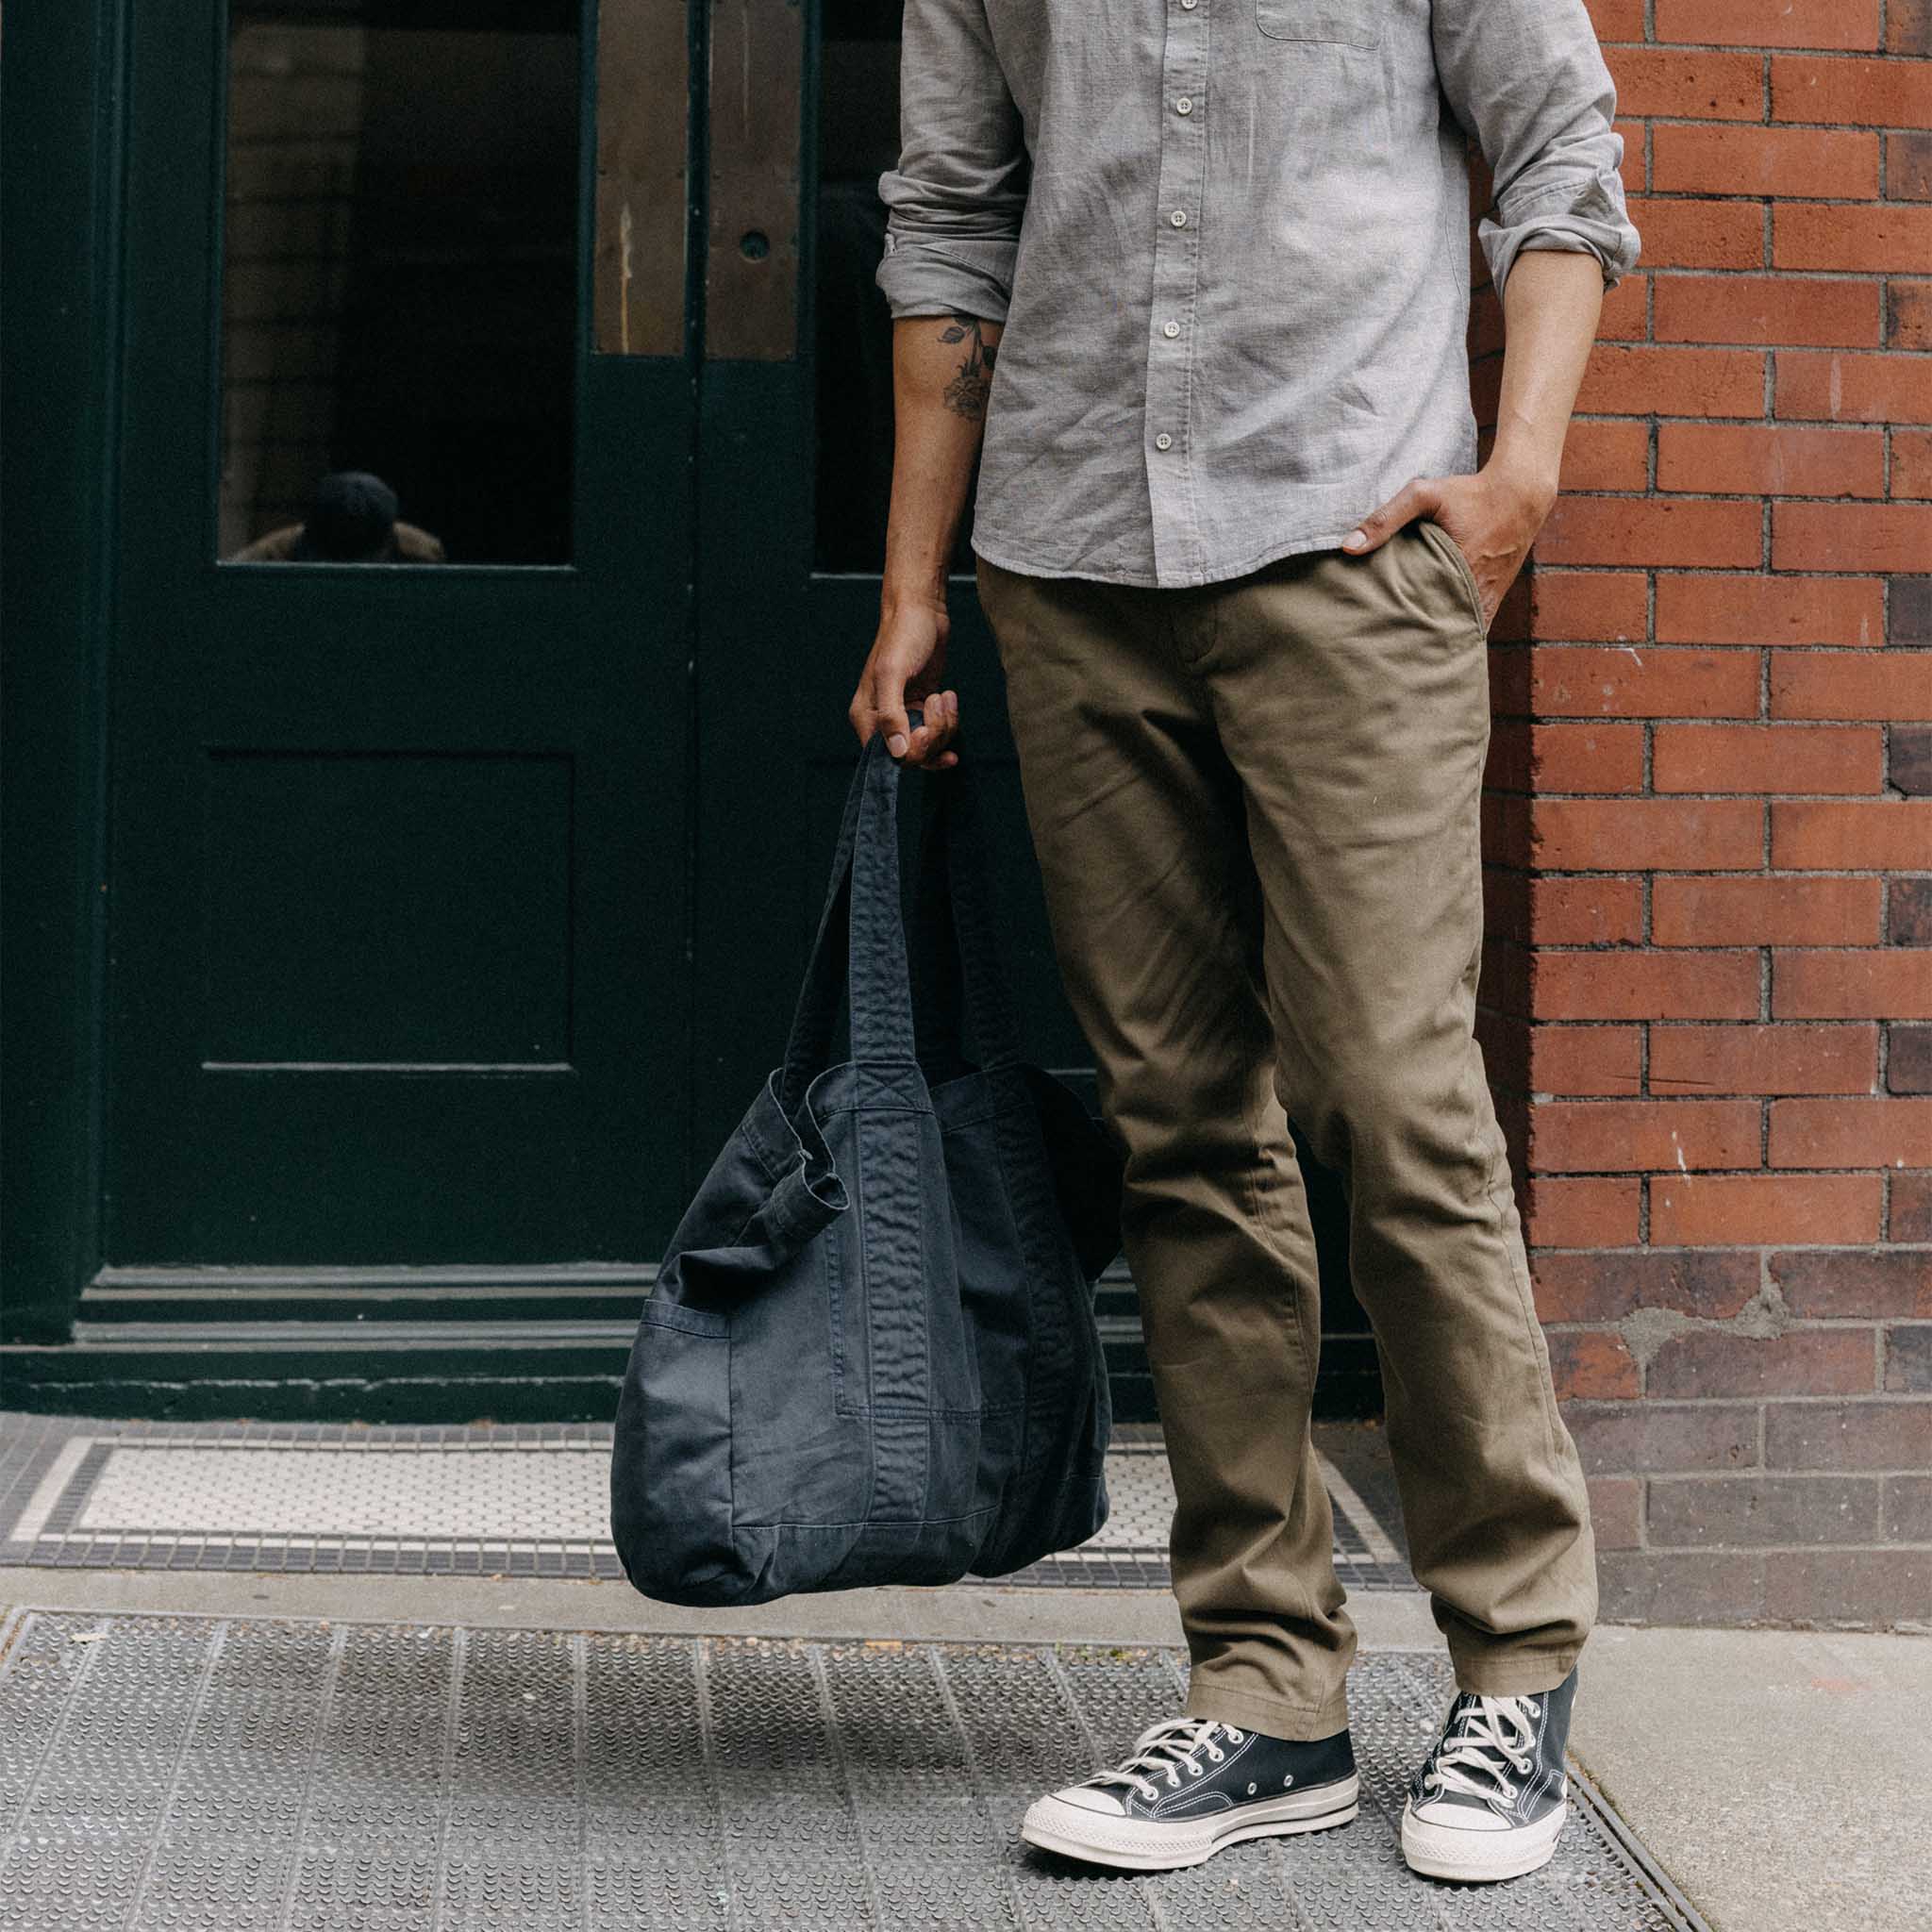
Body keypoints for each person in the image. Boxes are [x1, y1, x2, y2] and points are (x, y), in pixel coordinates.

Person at [849, 0, 1641, 1890]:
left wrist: (1517, 473)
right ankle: (1267, 1682)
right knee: (1184, 1128)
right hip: (1071, 561)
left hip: (1354, 545)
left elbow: (1561, 162)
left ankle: (1514, 1654)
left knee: (1390, 1096)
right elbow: (953, 218)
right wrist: (909, 588)